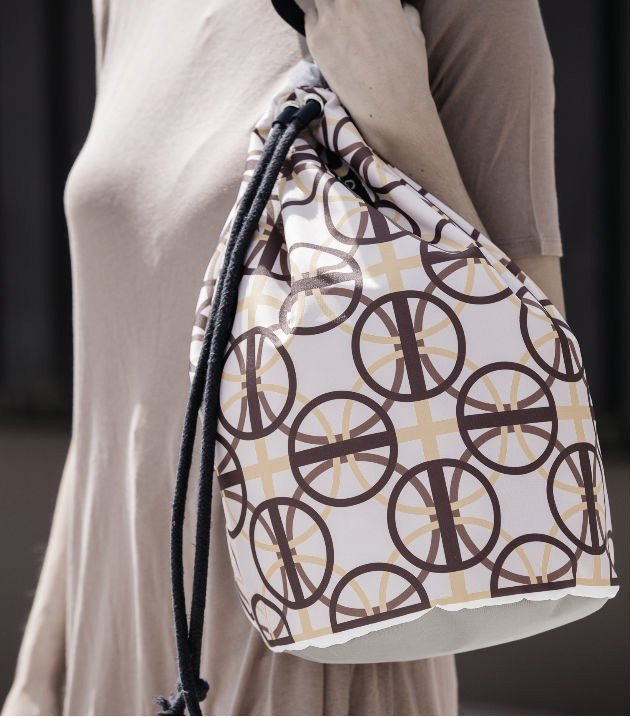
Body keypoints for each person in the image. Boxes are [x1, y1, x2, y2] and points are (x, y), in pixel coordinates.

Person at [2, 1, 563, 714]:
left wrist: (394, 110)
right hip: (106, 650)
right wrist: (34, 682)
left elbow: (530, 392)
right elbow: (110, 405)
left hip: (312, 653)